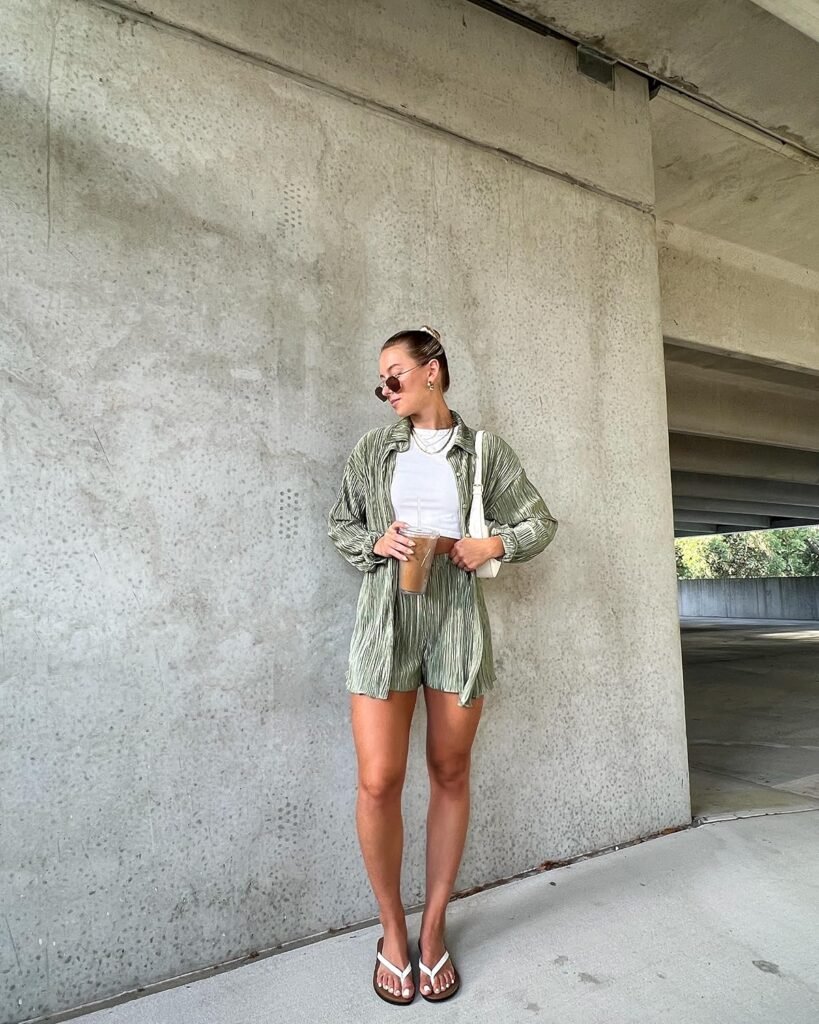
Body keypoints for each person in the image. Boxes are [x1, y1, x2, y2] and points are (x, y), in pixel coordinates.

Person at [327, 326, 558, 1004]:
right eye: (380, 380)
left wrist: (492, 545)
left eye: (394, 374)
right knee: (378, 780)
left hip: (456, 614)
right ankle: (390, 932)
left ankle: (432, 932)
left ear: (433, 371)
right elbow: (340, 524)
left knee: (449, 770)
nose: (385, 389)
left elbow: (538, 522)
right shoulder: (373, 450)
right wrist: (376, 539)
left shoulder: (484, 450)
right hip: (386, 613)